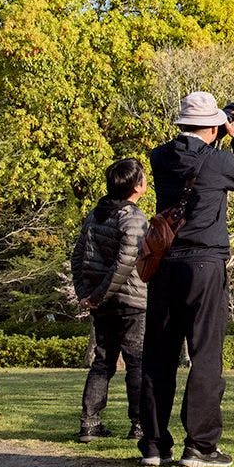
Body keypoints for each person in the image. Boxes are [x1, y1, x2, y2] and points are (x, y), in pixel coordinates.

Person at [138, 91, 234, 467]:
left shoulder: (160, 157)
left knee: (159, 354)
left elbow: (193, 151)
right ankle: (201, 445)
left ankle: (155, 444)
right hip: (205, 263)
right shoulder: (221, 159)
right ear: (212, 127)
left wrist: (216, 127)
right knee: (205, 353)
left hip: (165, 265)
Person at [70, 157, 150, 443]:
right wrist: (97, 294)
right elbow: (124, 264)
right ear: (137, 186)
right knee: (137, 362)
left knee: (103, 361)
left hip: (100, 302)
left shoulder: (94, 215)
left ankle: (89, 422)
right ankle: (139, 424)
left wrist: (86, 294)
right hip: (130, 302)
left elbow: (77, 256)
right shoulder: (134, 219)